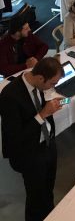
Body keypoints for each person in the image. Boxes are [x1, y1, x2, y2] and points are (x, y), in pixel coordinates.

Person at [0, 57, 65, 220]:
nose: (53, 87)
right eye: (53, 83)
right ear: (40, 78)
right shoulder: (9, 96)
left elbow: (42, 102)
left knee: (48, 189)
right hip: (29, 153)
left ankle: (49, 215)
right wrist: (43, 114)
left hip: (48, 143)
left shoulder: (38, 82)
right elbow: (15, 137)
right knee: (36, 197)